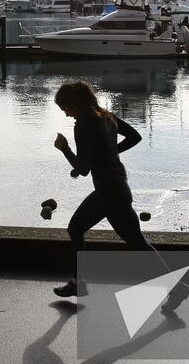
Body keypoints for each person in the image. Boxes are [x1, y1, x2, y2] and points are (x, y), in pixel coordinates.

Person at [50, 80, 156, 298]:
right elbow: (135, 137)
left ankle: (179, 287)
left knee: (139, 244)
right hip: (111, 189)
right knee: (76, 228)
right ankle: (78, 282)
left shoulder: (83, 124)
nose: (67, 115)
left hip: (111, 195)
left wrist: (65, 148)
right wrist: (109, 152)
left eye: (66, 109)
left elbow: (83, 168)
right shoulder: (108, 116)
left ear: (74, 104)